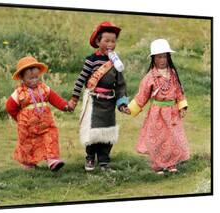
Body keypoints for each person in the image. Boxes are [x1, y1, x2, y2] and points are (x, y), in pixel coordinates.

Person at [68, 21, 129, 172]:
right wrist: (74, 99)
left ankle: (104, 162)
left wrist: (122, 102)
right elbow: (81, 80)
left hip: (109, 102)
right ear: (97, 41)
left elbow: (120, 84)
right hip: (93, 102)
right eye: (106, 40)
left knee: (107, 133)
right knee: (92, 131)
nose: (110, 44)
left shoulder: (115, 62)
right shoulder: (91, 60)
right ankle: (90, 157)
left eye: (113, 41)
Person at [127, 39, 190, 174]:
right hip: (157, 113)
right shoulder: (150, 77)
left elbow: (179, 91)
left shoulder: (173, 74)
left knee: (172, 138)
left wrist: (182, 105)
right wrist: (131, 108)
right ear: (153, 58)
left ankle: (171, 163)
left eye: (165, 56)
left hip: (172, 113)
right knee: (158, 139)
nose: (162, 60)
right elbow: (142, 96)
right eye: (159, 57)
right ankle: (158, 165)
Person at [6, 56, 70, 171]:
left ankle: (52, 160)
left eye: (36, 77)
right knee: (28, 143)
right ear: (22, 78)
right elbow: (10, 106)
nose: (34, 80)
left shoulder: (44, 88)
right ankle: (29, 163)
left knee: (51, 136)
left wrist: (65, 106)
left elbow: (55, 99)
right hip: (27, 126)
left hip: (46, 123)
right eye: (31, 78)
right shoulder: (19, 92)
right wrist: (20, 118)